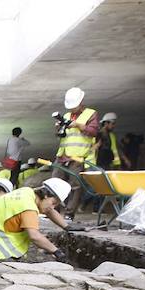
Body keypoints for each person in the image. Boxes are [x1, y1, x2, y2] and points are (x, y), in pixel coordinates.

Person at [55, 87, 99, 218]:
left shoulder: (90, 114)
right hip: (62, 155)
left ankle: (69, 213)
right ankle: (53, 210)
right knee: (55, 182)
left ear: (81, 102)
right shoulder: (67, 116)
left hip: (78, 156)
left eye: (74, 106)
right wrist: (59, 128)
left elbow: (93, 131)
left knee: (75, 185)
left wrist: (78, 125)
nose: (71, 109)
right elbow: (61, 136)